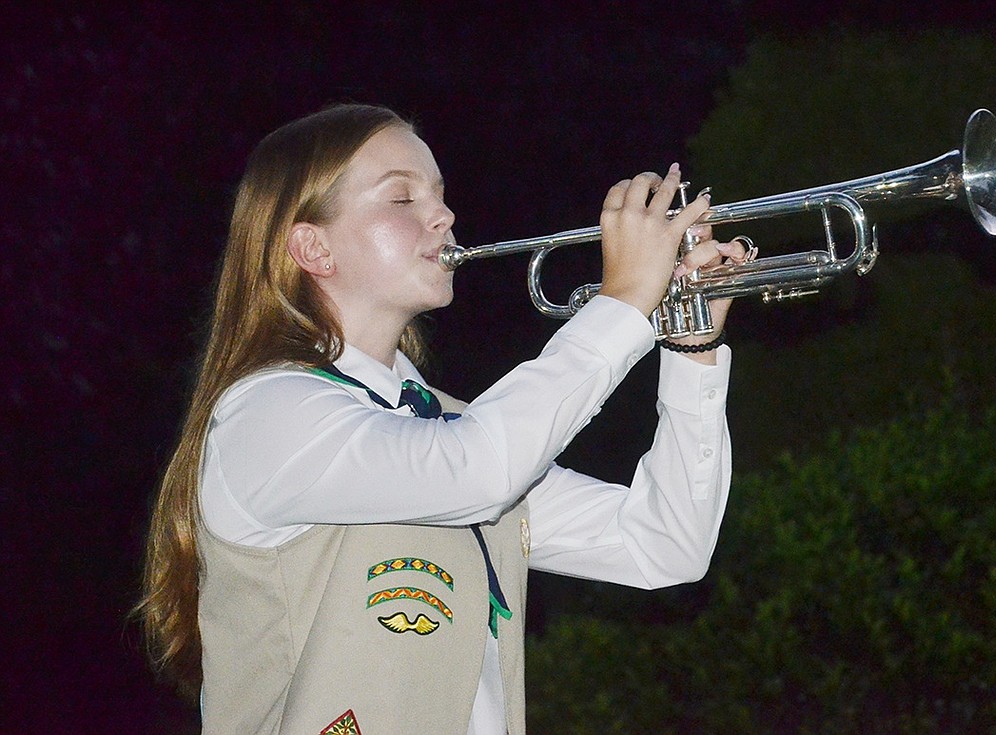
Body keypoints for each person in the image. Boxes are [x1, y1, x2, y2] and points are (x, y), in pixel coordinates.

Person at [139, 103, 748, 734]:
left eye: (439, 193)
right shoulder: (265, 414)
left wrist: (690, 347)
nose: (444, 215)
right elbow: (480, 469)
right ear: (312, 247)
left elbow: (664, 544)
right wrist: (622, 304)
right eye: (401, 197)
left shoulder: (447, 431)